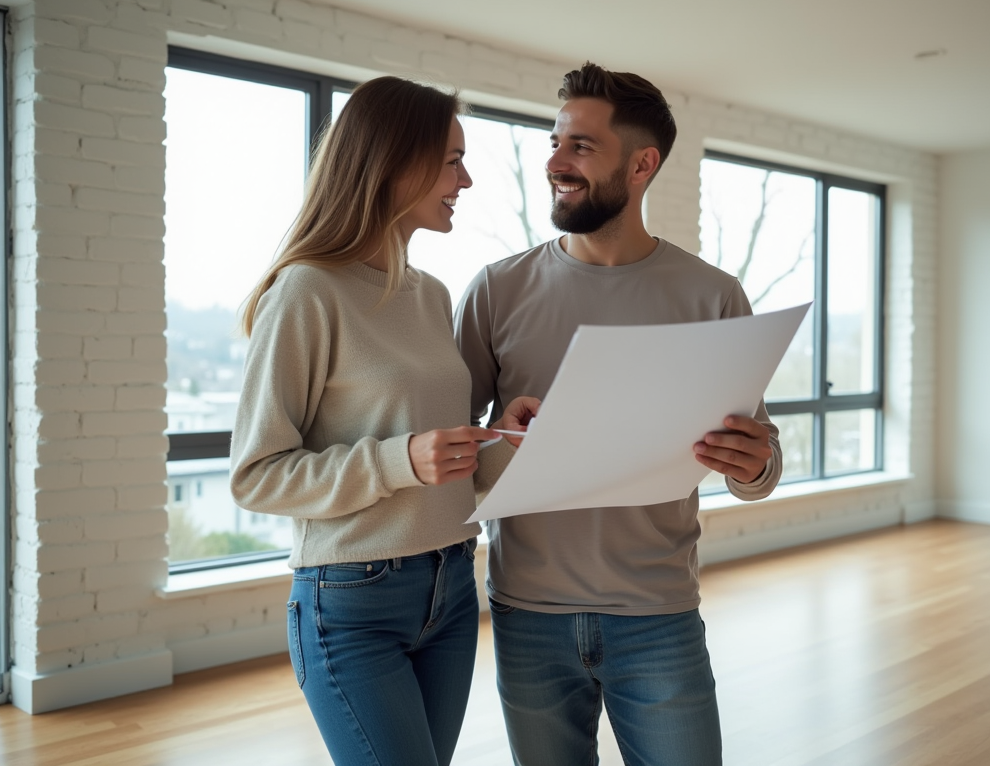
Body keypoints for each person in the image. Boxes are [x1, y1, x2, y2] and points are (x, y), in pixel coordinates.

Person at [455, 63, 782, 766]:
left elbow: (758, 457)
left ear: (641, 164)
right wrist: (507, 444)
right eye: (554, 141)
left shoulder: (713, 296)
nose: (554, 162)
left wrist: (755, 466)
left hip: (658, 615)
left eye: (580, 146)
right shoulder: (497, 290)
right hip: (527, 612)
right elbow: (451, 455)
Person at [230, 76, 537, 766]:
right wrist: (401, 460)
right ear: (395, 161)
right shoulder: (306, 291)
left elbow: (443, 462)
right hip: (351, 603)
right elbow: (256, 477)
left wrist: (507, 437)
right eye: (453, 159)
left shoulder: (429, 296)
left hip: (453, 585)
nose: (467, 178)